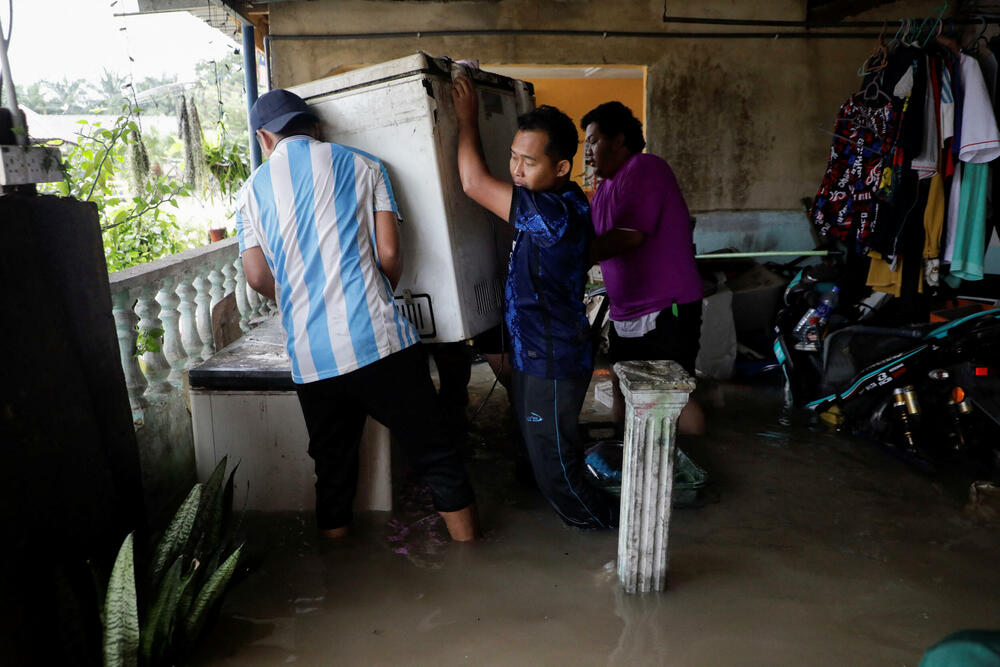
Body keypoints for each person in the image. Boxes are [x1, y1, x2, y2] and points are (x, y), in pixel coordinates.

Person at [236, 88, 478, 541]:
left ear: (265, 138)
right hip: (380, 341)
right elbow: (389, 255)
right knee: (437, 456)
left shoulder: (249, 193)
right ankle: (474, 560)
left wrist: (296, 296)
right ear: (316, 128)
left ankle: (338, 578)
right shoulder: (363, 164)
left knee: (332, 472)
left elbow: (256, 277)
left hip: (311, 359)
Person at [453, 75, 616, 530]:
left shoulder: (552, 211)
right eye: (512, 156)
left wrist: (466, 119)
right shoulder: (555, 198)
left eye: (528, 161)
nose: (516, 170)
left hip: (551, 357)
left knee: (556, 466)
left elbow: (471, 182)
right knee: (538, 445)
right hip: (537, 350)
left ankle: (606, 530)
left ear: (562, 167)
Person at [581, 101, 705, 436]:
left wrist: (572, 259)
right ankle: (627, 454)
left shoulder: (645, 168)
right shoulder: (604, 187)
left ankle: (688, 463)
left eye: (592, 140)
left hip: (667, 307)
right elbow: (593, 237)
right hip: (626, 311)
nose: (588, 151)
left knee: (670, 393)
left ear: (618, 140)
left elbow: (629, 236)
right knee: (625, 384)